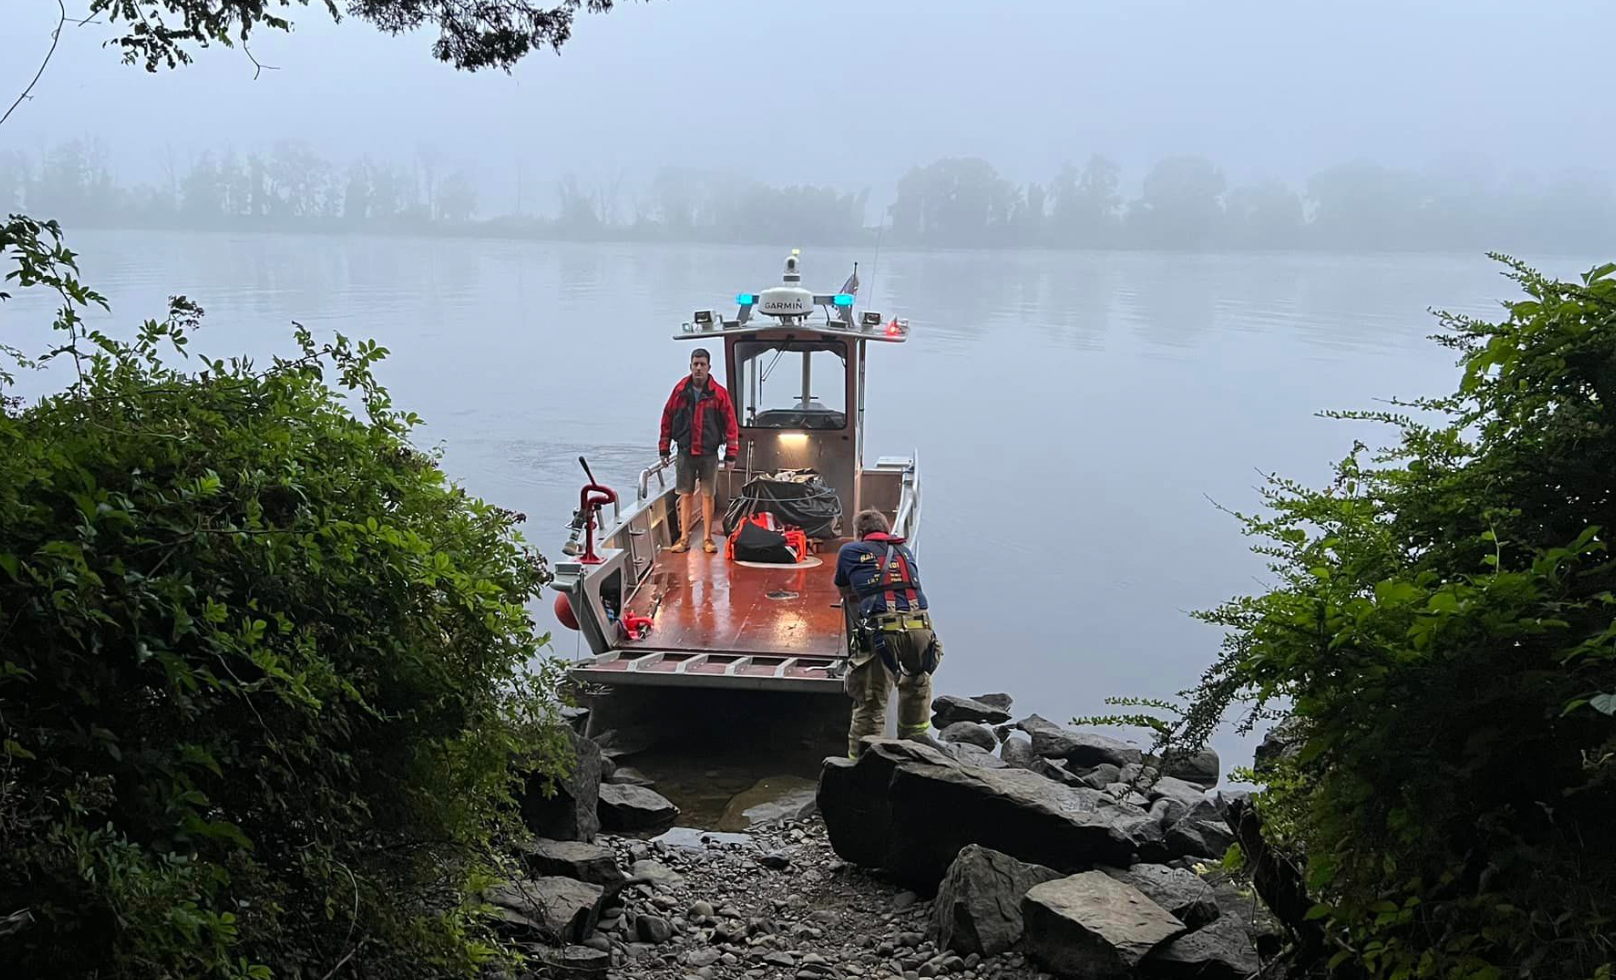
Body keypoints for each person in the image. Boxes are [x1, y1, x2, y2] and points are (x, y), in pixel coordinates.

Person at [834, 508, 944, 758]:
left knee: (871, 704)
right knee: (917, 684)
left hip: (884, 632)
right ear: (885, 530)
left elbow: (844, 589)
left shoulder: (850, 551)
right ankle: (915, 750)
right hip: (922, 628)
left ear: (860, 533)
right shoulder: (905, 551)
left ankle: (860, 766)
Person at [659, 347, 739, 553]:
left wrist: (731, 454)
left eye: (702, 364)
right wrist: (664, 449)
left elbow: (731, 425)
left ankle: (707, 538)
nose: (698, 368)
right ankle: (684, 538)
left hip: (709, 453)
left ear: (709, 367)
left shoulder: (719, 394)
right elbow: (667, 419)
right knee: (685, 494)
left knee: (708, 495)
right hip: (685, 452)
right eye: (695, 364)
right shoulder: (679, 392)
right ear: (690, 366)